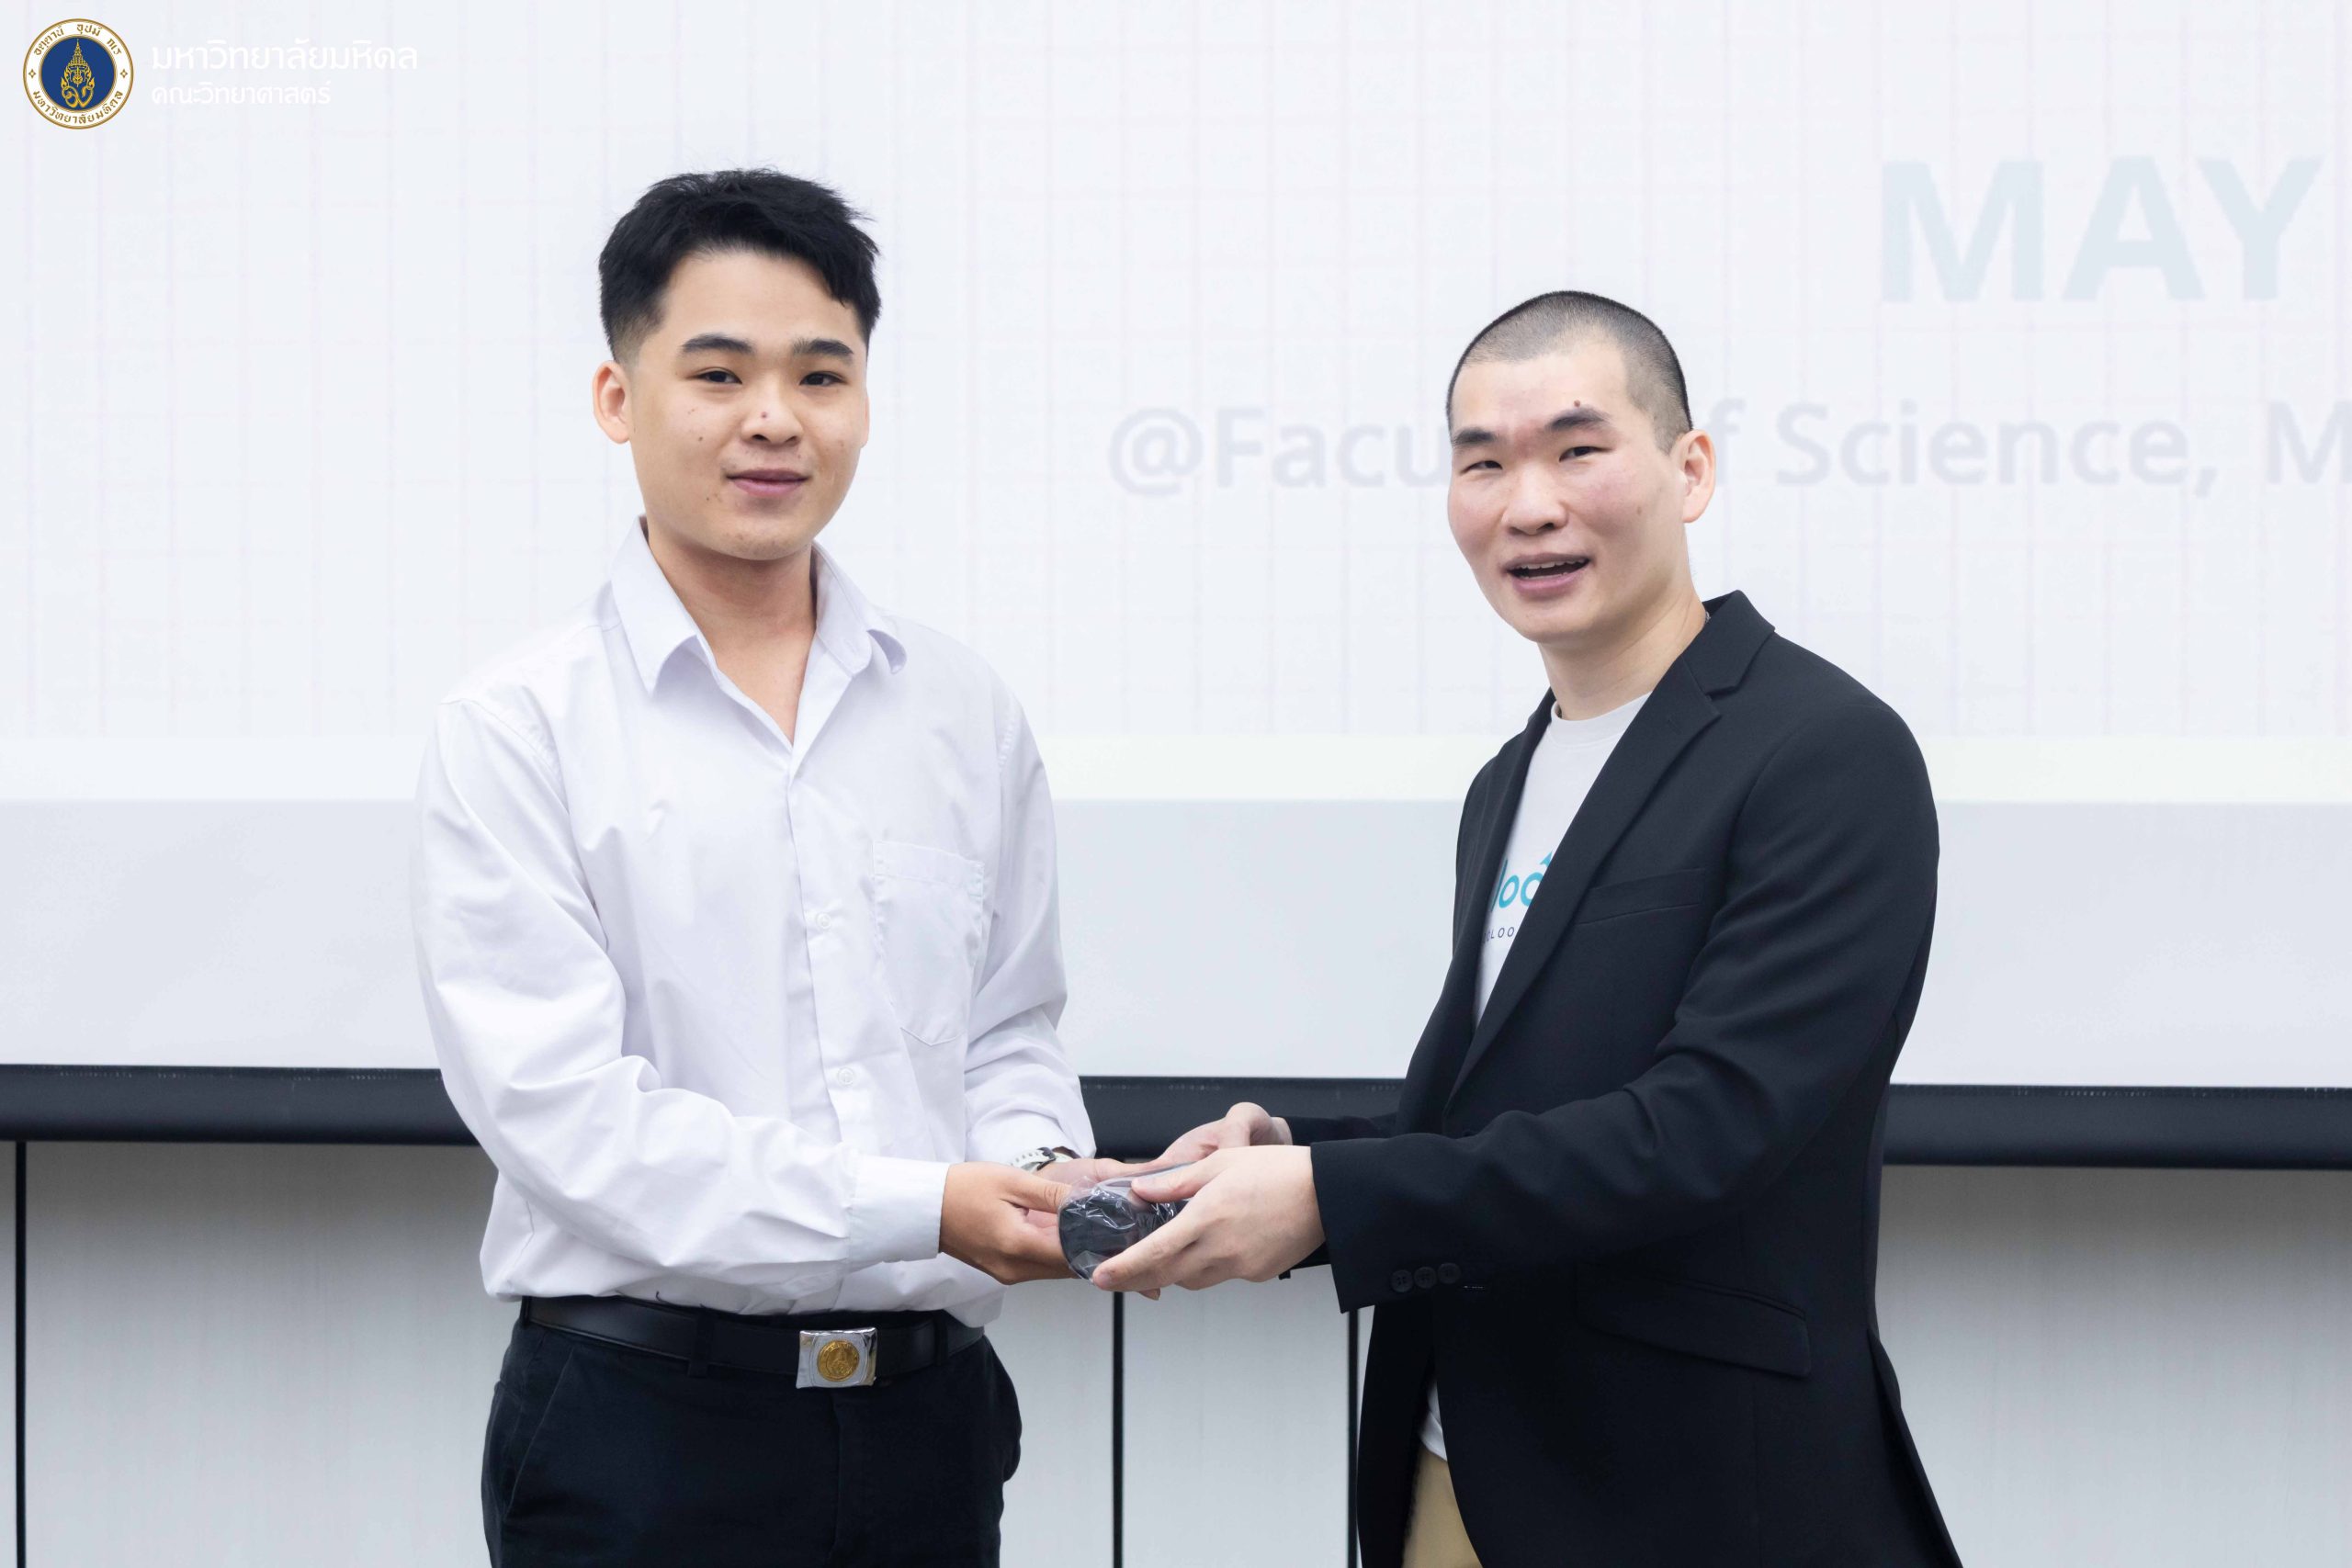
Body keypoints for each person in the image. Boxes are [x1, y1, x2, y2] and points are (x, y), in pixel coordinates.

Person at [1091, 292, 1965, 1568]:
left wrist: (1330, 1199)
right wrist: (1289, 1156)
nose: (1530, 505)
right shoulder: (1508, 779)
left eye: (1577, 449)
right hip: (1452, 1461)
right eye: (1484, 463)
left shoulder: (1824, 750)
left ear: (1690, 470)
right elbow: (1510, 1116)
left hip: (1689, 1493)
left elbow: (1704, 1131)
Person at [410, 169, 1111, 1568]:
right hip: (643, 1432)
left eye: (821, 375)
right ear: (619, 397)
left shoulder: (961, 709)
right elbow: (570, 1122)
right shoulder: (520, 726)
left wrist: (1051, 1182)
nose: (776, 419)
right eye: (719, 373)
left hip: (930, 1423)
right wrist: (929, 1205)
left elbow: (1006, 1031)